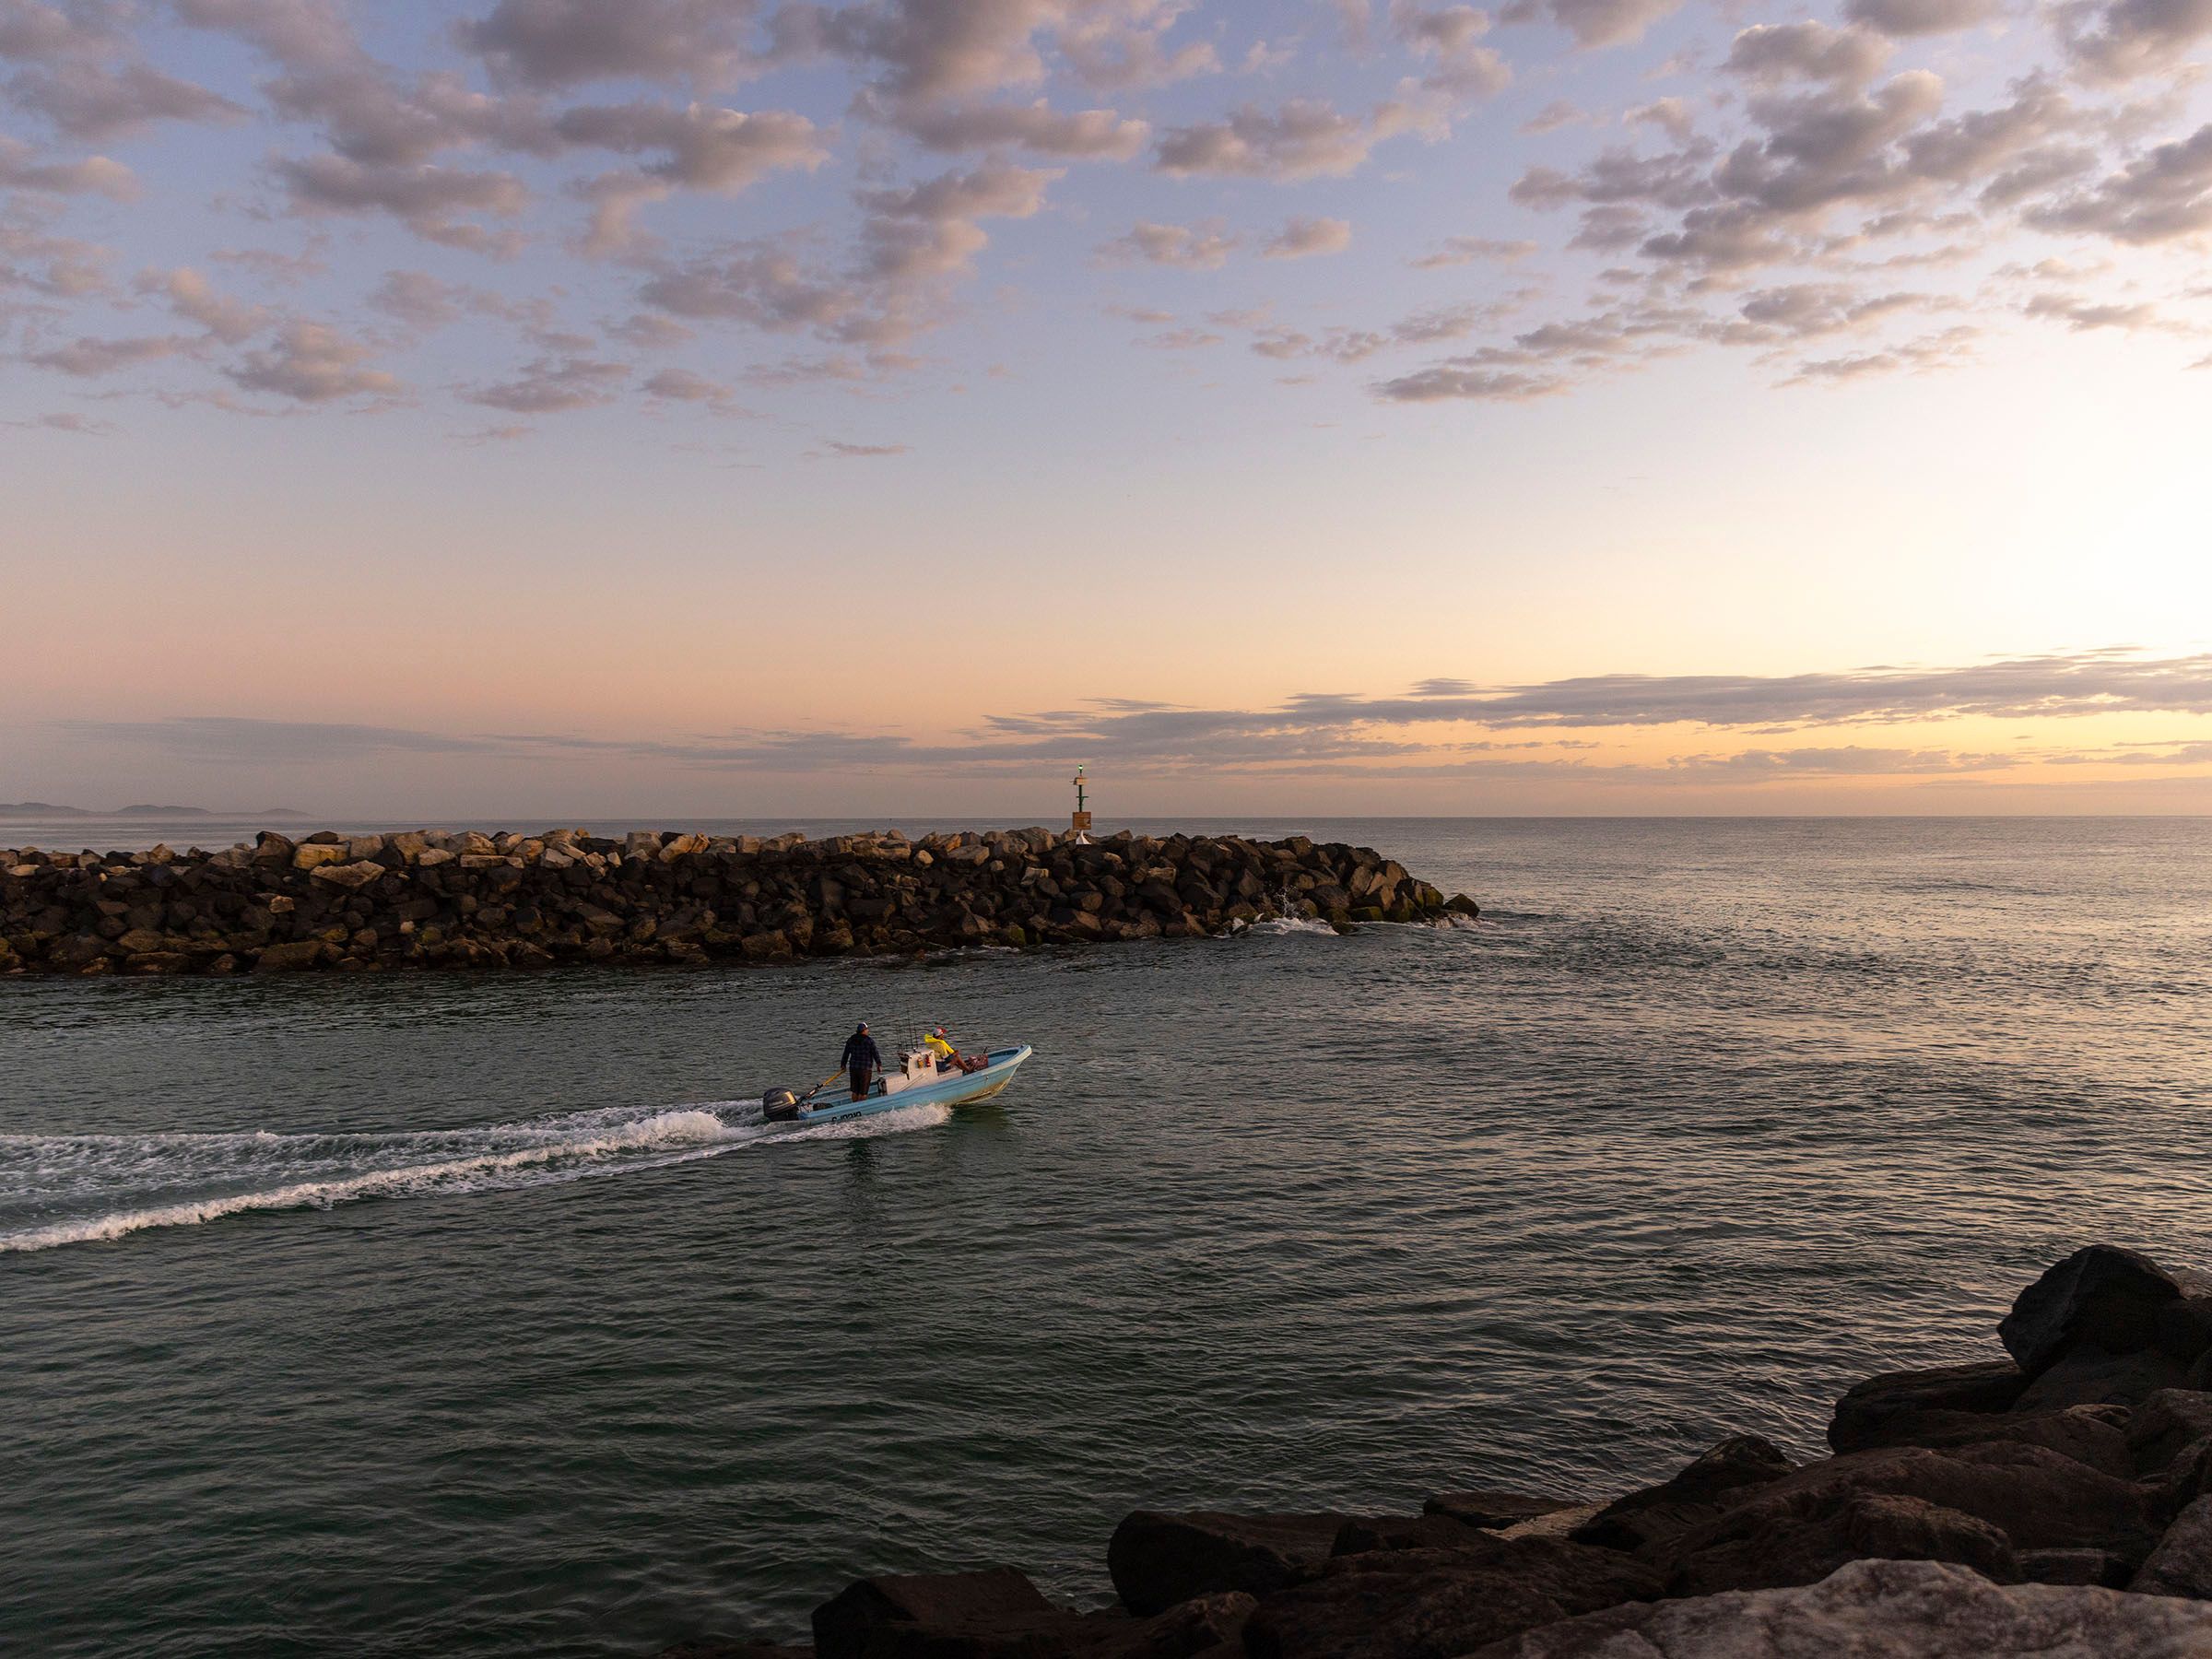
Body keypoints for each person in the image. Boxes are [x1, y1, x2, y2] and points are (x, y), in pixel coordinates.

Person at [841, 1022, 883, 1100]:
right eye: (867, 1029)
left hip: (853, 1068)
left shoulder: (851, 1040)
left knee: (855, 1091)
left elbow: (846, 1053)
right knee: (863, 1092)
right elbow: (875, 1054)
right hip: (865, 1069)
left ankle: (854, 1106)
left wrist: (843, 1065)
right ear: (864, 1030)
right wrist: (879, 1065)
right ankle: (860, 1109)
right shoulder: (869, 1041)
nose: (868, 1031)